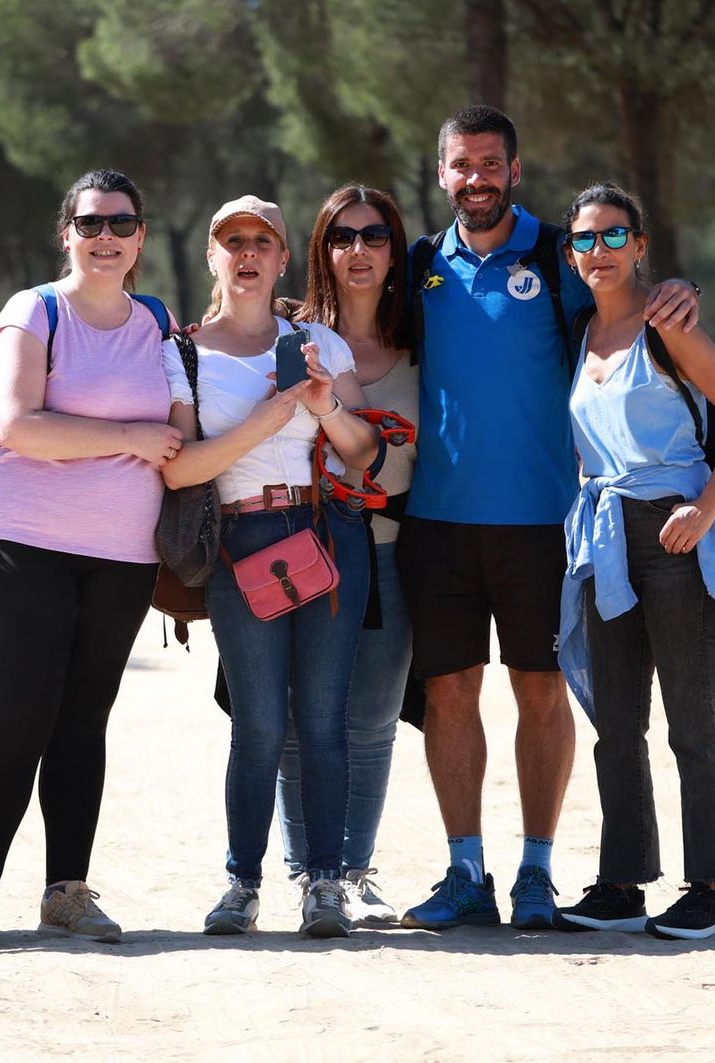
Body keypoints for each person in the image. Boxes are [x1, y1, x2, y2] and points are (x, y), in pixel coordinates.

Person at [399, 105, 701, 930]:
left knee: (541, 689)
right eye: (462, 165)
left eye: (491, 164)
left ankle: (536, 872)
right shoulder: (421, 263)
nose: (477, 179)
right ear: (442, 174)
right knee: (450, 692)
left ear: (516, 170)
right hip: (438, 522)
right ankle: (467, 873)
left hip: (543, 523)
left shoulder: (555, 252)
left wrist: (678, 288)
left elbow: (625, 292)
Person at [0, 169, 181, 948]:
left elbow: (184, 423)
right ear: (66, 233)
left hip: (123, 549)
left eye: (120, 222)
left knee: (86, 715)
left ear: (141, 235)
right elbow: (17, 425)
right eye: (90, 224)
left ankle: (68, 890)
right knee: (24, 707)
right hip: (25, 536)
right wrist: (128, 440)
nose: (105, 237)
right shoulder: (33, 310)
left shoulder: (156, 319)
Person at [551, 183, 715, 939]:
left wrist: (706, 508)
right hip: (605, 542)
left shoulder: (667, 325)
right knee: (616, 723)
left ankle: (712, 889)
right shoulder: (582, 333)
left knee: (691, 720)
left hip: (678, 540)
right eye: (584, 240)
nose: (599, 252)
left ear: (641, 245)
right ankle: (622, 884)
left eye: (614, 237)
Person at [161, 195, 379, 938]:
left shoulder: (318, 341)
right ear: (212, 257)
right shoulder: (182, 354)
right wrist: (266, 417)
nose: (247, 253)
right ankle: (242, 883)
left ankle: (325, 883)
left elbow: (364, 452)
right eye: (233, 241)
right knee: (256, 724)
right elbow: (182, 467)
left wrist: (321, 403)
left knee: (323, 721)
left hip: (324, 531)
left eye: (263, 241)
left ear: (284, 259)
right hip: (240, 541)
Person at [274, 185, 417, 926]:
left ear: (395, 249)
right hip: (301, 548)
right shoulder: (289, 334)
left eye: (374, 236)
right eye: (342, 236)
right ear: (322, 251)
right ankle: (309, 872)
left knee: (373, 719)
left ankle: (354, 872)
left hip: (394, 547)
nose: (357, 250)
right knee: (299, 720)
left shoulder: (424, 337)